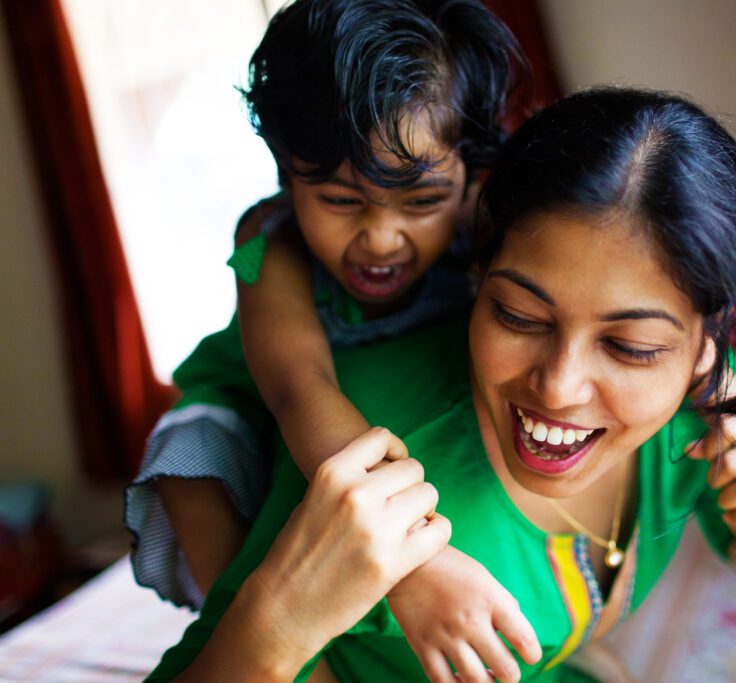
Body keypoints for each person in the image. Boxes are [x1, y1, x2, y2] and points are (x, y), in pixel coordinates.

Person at [146, 87, 736, 683]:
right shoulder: (370, 454)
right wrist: (281, 627)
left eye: (630, 347)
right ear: (478, 275)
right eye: (518, 314)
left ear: (702, 344)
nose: (560, 386)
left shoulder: (703, 405)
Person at [126, 0, 545, 679]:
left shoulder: (494, 224)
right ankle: (259, 634)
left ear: (469, 173)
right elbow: (300, 389)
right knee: (188, 459)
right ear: (288, 173)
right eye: (342, 201)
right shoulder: (274, 241)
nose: (382, 240)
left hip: (372, 409)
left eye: (421, 202)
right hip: (267, 403)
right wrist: (412, 563)